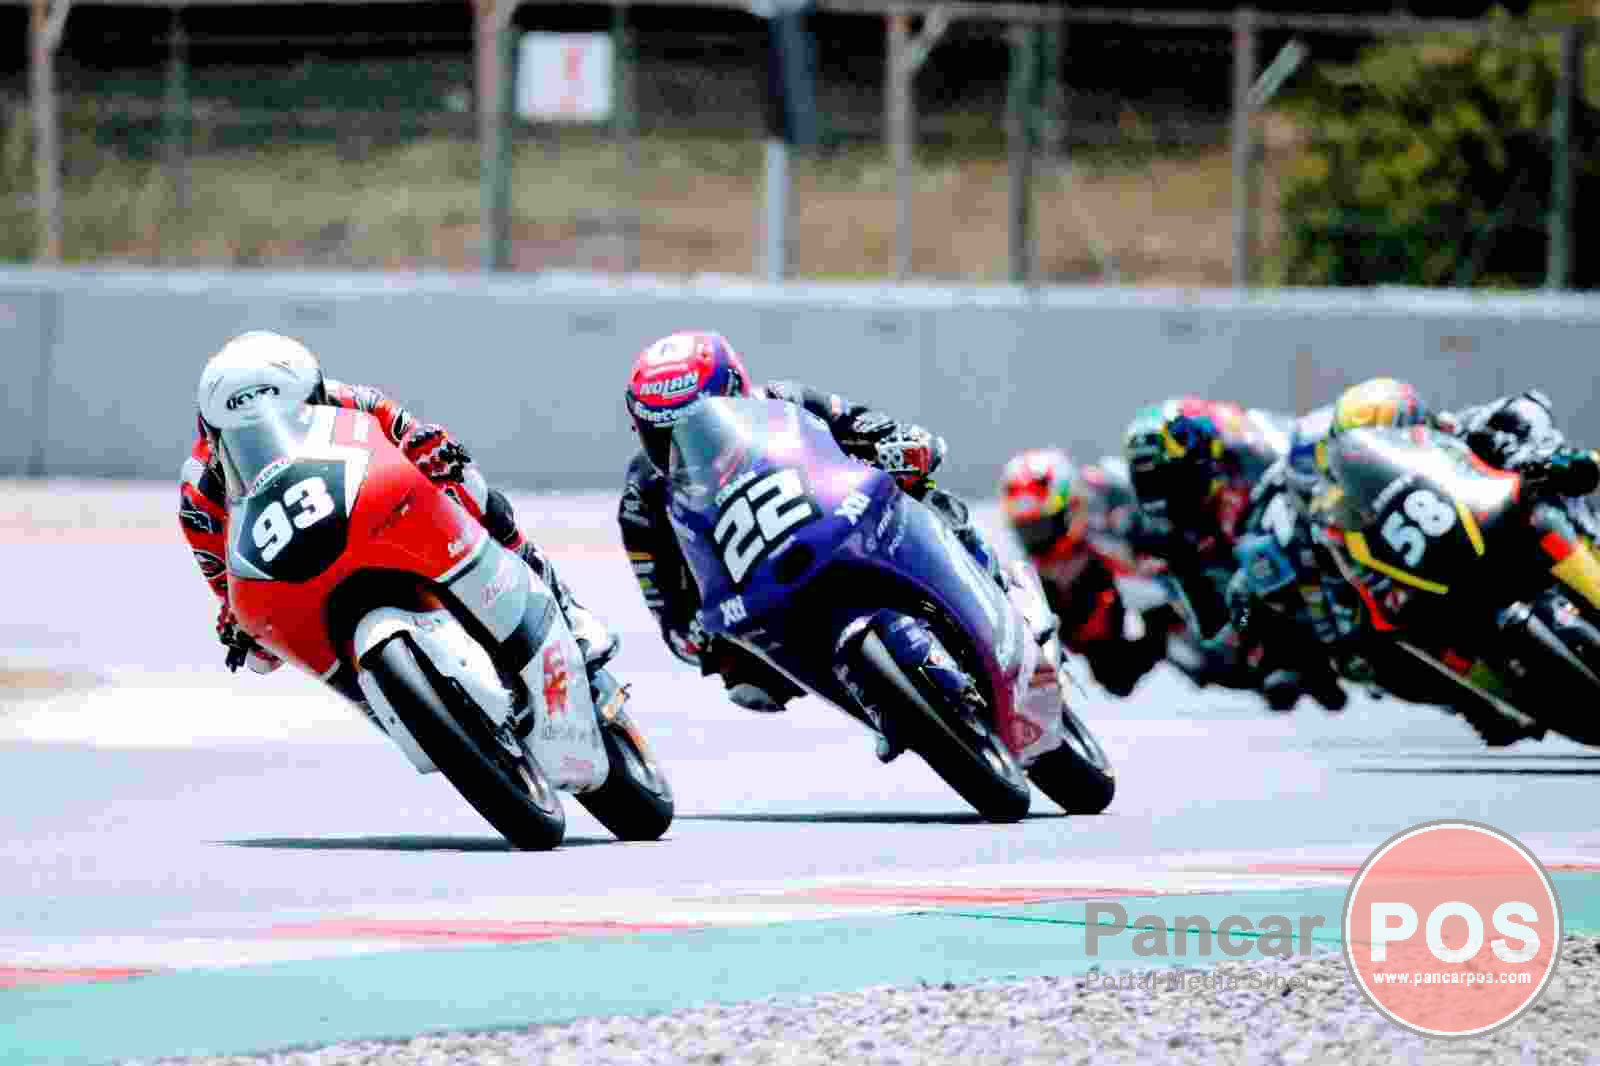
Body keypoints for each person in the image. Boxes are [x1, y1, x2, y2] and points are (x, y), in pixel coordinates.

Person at [617, 330, 1008, 762]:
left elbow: (867, 426)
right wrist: (699, 635)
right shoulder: (642, 498)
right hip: (759, 597)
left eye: (699, 425)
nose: (684, 444)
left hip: (847, 525)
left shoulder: (784, 403)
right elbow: (664, 605)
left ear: (737, 395)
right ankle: (885, 708)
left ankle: (1001, 593)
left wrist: (904, 446)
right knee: (747, 682)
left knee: (930, 498)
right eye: (664, 435)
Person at [181, 331, 615, 693]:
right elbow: (245, 615)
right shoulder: (199, 501)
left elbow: (421, 440)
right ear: (214, 438)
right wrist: (238, 627)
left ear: (318, 395)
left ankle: (565, 608)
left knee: (460, 480)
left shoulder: (352, 401)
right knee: (257, 656)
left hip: (381, 525)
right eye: (246, 441)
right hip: (310, 582)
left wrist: (434, 455)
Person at [999, 447, 1168, 696]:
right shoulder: (1037, 584)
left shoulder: (1117, 504)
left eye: (1041, 527)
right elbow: (1114, 675)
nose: (1036, 541)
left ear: (1070, 510)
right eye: (1026, 530)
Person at [1120, 396, 1286, 644]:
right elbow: (1219, 628)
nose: (1159, 488)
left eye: (1164, 476)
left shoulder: (1244, 475)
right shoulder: (1172, 540)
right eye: (1150, 479)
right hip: (1264, 631)